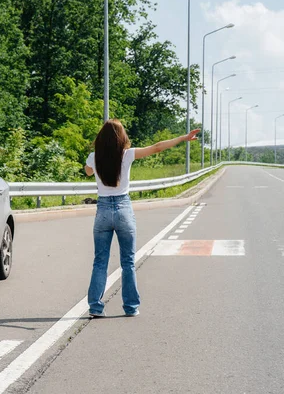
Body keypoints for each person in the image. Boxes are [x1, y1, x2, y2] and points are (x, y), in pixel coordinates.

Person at [84, 119, 200, 317]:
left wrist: (97, 161)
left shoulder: (93, 157)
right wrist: (183, 138)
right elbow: (156, 147)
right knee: (128, 261)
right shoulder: (127, 155)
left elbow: (87, 172)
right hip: (123, 209)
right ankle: (130, 307)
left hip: (102, 210)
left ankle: (95, 306)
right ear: (122, 137)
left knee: (100, 261)